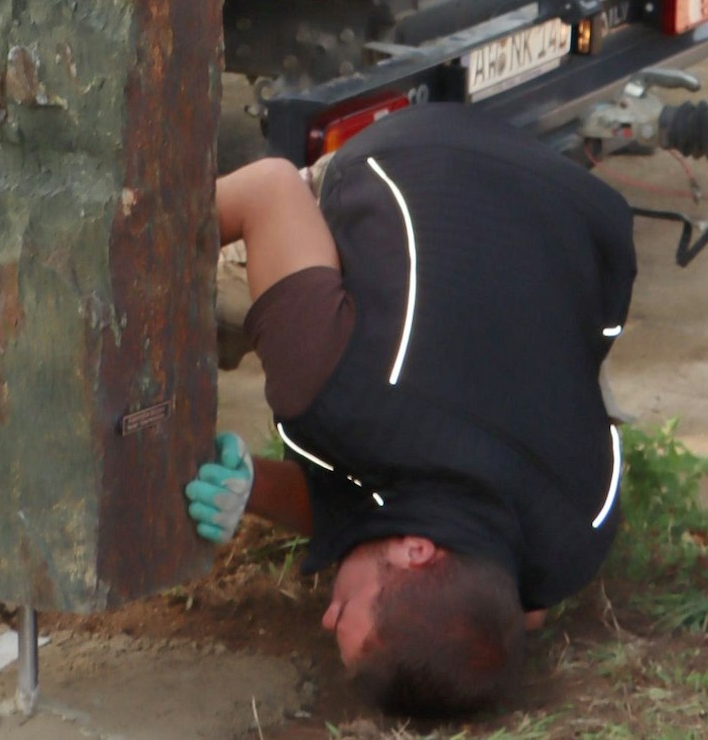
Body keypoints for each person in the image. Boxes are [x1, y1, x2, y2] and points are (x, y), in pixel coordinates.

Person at [186, 102, 634, 717]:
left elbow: (421, 527)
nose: (324, 612)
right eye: (343, 612)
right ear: (417, 552)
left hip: (580, 214)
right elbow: (269, 188)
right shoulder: (329, 388)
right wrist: (130, 250)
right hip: (412, 156)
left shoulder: (576, 540)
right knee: (214, 299)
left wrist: (252, 484)